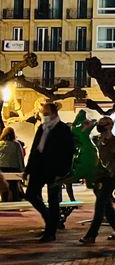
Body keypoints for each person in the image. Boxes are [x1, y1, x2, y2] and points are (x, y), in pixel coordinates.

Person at [23, 101, 75, 242]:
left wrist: (63, 171)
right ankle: (49, 219)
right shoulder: (42, 128)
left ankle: (50, 232)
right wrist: (27, 170)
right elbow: (35, 148)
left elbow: (68, 152)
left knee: (53, 200)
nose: (44, 116)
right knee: (31, 195)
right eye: (43, 114)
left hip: (54, 170)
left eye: (46, 114)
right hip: (39, 168)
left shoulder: (63, 129)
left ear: (54, 114)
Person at [79, 116, 115, 244]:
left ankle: (91, 235)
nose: (101, 126)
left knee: (100, 207)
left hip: (108, 178)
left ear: (111, 126)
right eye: (100, 123)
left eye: (104, 124)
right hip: (97, 177)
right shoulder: (95, 140)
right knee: (107, 208)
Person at [0, 127, 25, 200]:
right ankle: (15, 200)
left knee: (4, 186)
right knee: (14, 187)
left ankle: (5, 200)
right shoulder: (16, 144)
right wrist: (22, 170)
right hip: (13, 168)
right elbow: (20, 158)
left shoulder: (0, 144)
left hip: (1, 168)